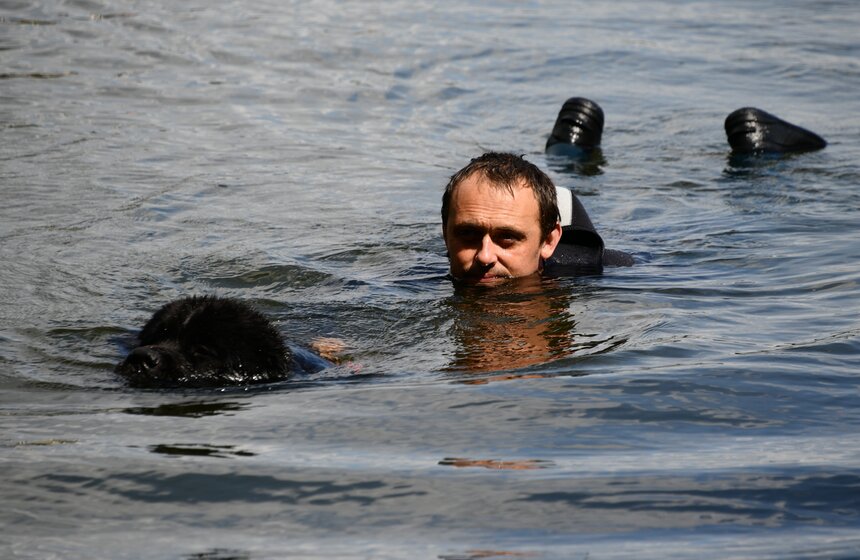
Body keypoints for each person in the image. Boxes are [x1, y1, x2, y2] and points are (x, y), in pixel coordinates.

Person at [441, 151, 633, 285]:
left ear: (548, 241)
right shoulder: (419, 281)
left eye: (507, 237)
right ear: (445, 234)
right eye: (467, 233)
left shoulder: (605, 273)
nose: (484, 256)